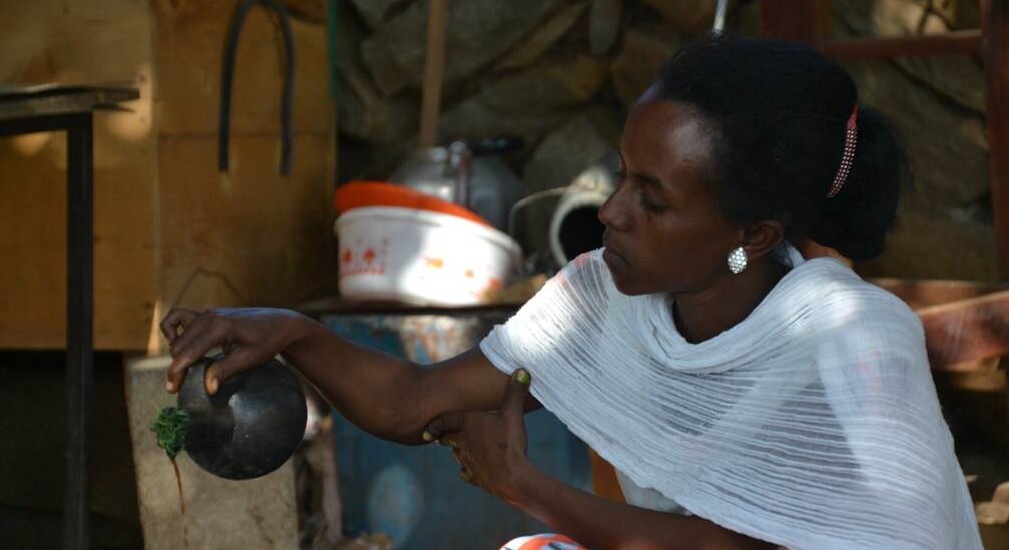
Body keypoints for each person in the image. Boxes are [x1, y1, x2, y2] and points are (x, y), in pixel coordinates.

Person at [160, 33, 982, 549]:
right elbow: (417, 403)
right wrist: (294, 334)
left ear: (755, 235)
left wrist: (528, 487)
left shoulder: (850, 335)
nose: (614, 214)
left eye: (654, 200)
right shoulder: (603, 296)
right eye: (624, 177)